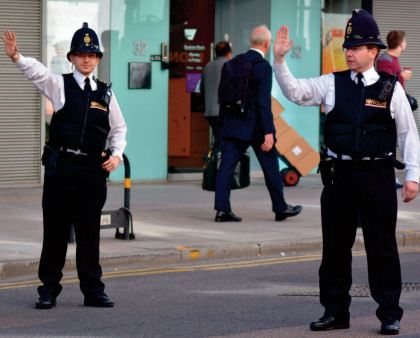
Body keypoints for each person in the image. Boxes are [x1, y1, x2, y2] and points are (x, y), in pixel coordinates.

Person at [273, 9, 419, 335]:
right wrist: (280, 62)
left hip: (377, 176)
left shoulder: (390, 88)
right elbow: (296, 92)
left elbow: (409, 134)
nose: (349, 52)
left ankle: (389, 314)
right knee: (335, 248)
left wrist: (413, 175)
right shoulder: (331, 83)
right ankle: (335, 312)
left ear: (374, 52)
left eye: (357, 47)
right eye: (347, 47)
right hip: (340, 176)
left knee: (382, 248)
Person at [2, 23, 127, 309]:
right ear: (71, 57)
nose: (86, 59)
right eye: (81, 54)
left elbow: (119, 129)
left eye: (92, 55)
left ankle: (93, 291)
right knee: (55, 233)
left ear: (98, 60)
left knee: (89, 235)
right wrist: (16, 57)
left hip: (92, 173)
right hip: (62, 169)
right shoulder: (59, 84)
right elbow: (38, 73)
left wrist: (117, 155)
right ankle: (48, 290)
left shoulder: (106, 94)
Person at [214, 25, 302, 223]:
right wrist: (268, 132)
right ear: (267, 44)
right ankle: (280, 208)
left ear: (251, 42)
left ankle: (222, 210)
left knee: (226, 167)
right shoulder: (262, 67)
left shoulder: (232, 63)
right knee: (270, 165)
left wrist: (223, 126)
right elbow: (263, 103)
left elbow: (222, 96)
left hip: (233, 124)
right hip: (255, 127)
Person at [376, 30, 413, 189]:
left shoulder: (393, 59)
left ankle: (390, 176)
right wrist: (402, 76)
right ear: (400, 42)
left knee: (397, 141)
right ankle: (388, 177)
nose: (406, 43)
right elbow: (385, 86)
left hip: (397, 107)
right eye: (405, 40)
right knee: (389, 143)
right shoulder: (385, 60)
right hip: (387, 110)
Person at [200, 41, 232, 148]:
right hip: (224, 111)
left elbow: (202, 89)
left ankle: (215, 160)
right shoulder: (230, 65)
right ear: (229, 53)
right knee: (226, 143)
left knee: (219, 139)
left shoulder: (207, 66)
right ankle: (219, 162)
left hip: (210, 112)